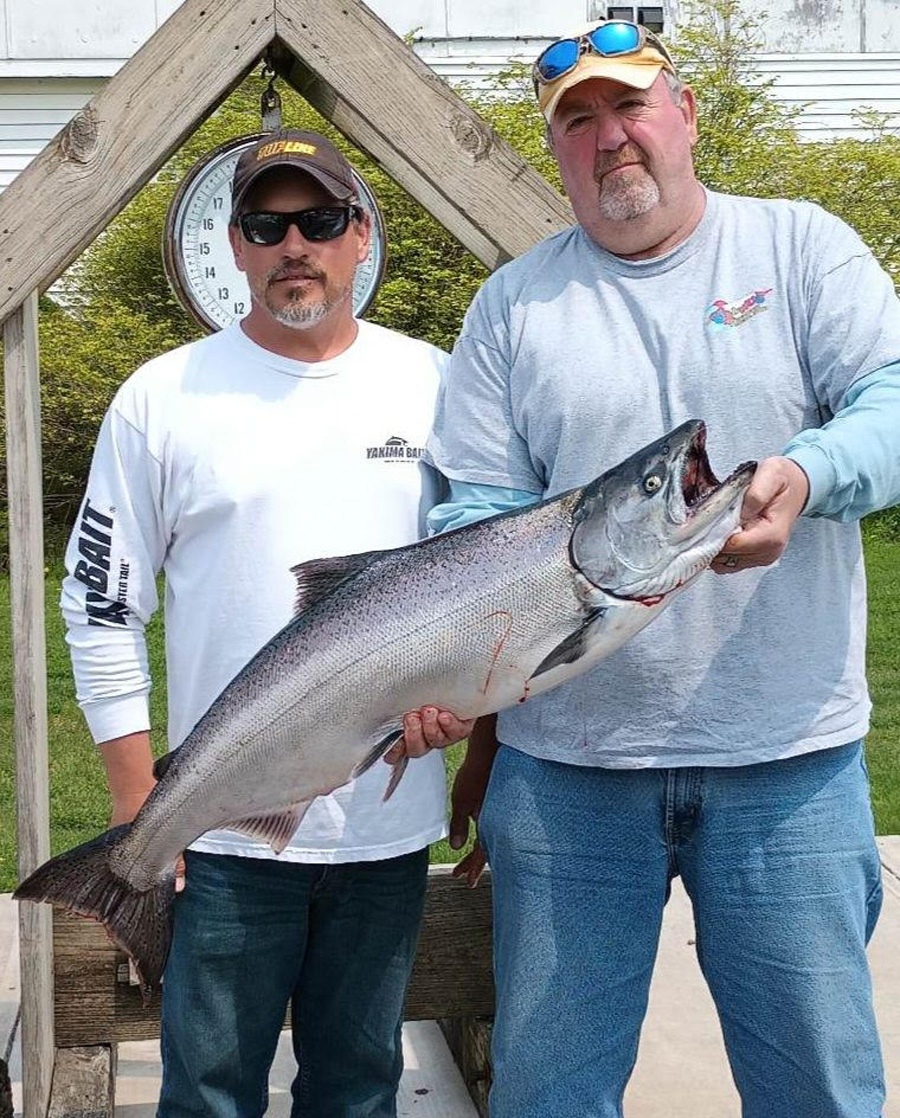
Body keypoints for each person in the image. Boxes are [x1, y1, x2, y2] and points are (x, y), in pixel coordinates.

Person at [423, 21, 900, 1118]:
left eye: (629, 106)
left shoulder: (799, 248)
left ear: (685, 113)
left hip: (789, 762)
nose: (609, 138)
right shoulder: (513, 304)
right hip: (566, 776)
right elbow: (480, 514)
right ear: (557, 152)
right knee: (548, 1094)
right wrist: (451, 681)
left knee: (819, 1089)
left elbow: (891, 399)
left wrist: (810, 471)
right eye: (577, 121)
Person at [60, 129, 472, 1118]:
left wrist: (471, 722)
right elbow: (102, 603)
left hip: (386, 829)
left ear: (361, 236)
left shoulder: (439, 382)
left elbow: (488, 585)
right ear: (233, 246)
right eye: (266, 223)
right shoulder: (162, 397)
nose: (296, 244)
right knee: (205, 1091)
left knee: (360, 1086)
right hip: (225, 837)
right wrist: (141, 815)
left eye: (321, 220)